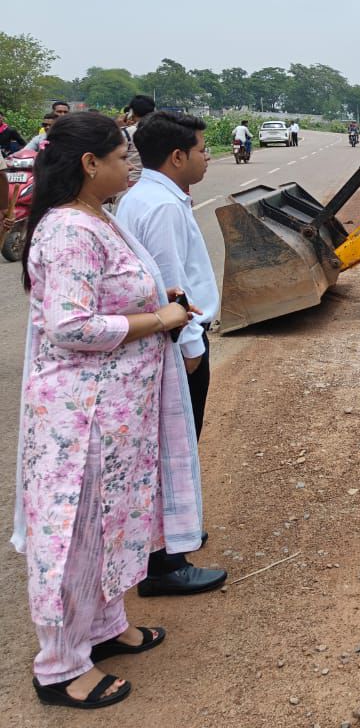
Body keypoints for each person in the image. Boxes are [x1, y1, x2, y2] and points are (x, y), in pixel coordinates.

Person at [12, 111, 203, 709]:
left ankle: (104, 628)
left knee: (112, 523)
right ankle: (60, 667)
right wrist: (159, 319)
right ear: (90, 164)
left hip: (114, 413)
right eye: (122, 155)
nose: (132, 162)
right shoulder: (69, 229)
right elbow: (70, 325)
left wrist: (158, 296)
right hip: (82, 416)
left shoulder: (99, 215)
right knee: (76, 534)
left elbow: (108, 291)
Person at [116, 112, 226, 597]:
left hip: (170, 341)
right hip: (177, 343)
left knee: (170, 446)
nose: (208, 157)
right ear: (178, 156)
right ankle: (163, 564)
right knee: (172, 448)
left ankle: (169, 537)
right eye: (203, 149)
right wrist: (190, 347)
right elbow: (168, 286)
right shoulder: (160, 206)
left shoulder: (150, 196)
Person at [121, 95, 156, 187]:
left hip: (130, 183)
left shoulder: (126, 133)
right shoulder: (162, 130)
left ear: (131, 111)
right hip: (154, 182)